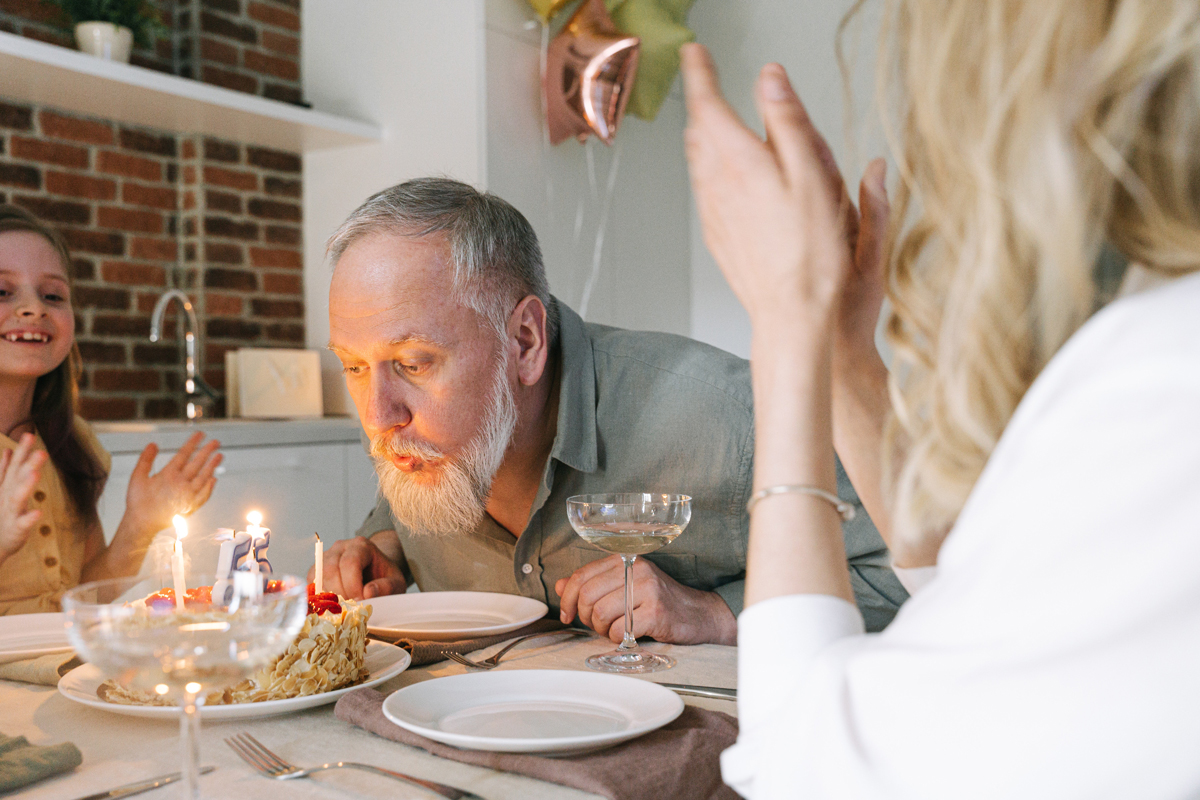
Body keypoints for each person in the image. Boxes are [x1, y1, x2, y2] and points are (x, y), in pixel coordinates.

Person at [678, 0, 1200, 795]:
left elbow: (807, 766)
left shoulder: (1163, 377)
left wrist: (787, 324)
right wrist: (846, 357)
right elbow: (978, 605)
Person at [317, 177, 907, 645]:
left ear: (524, 341)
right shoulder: (420, 442)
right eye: (354, 366)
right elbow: (394, 509)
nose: (378, 415)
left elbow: (908, 575)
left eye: (414, 363)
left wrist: (719, 614)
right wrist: (379, 547)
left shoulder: (725, 420)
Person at [0, 205, 223, 615]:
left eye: (53, 295)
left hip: (62, 666)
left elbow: (86, 597)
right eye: (2, 291)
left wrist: (140, 524)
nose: (34, 308)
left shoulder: (72, 442)